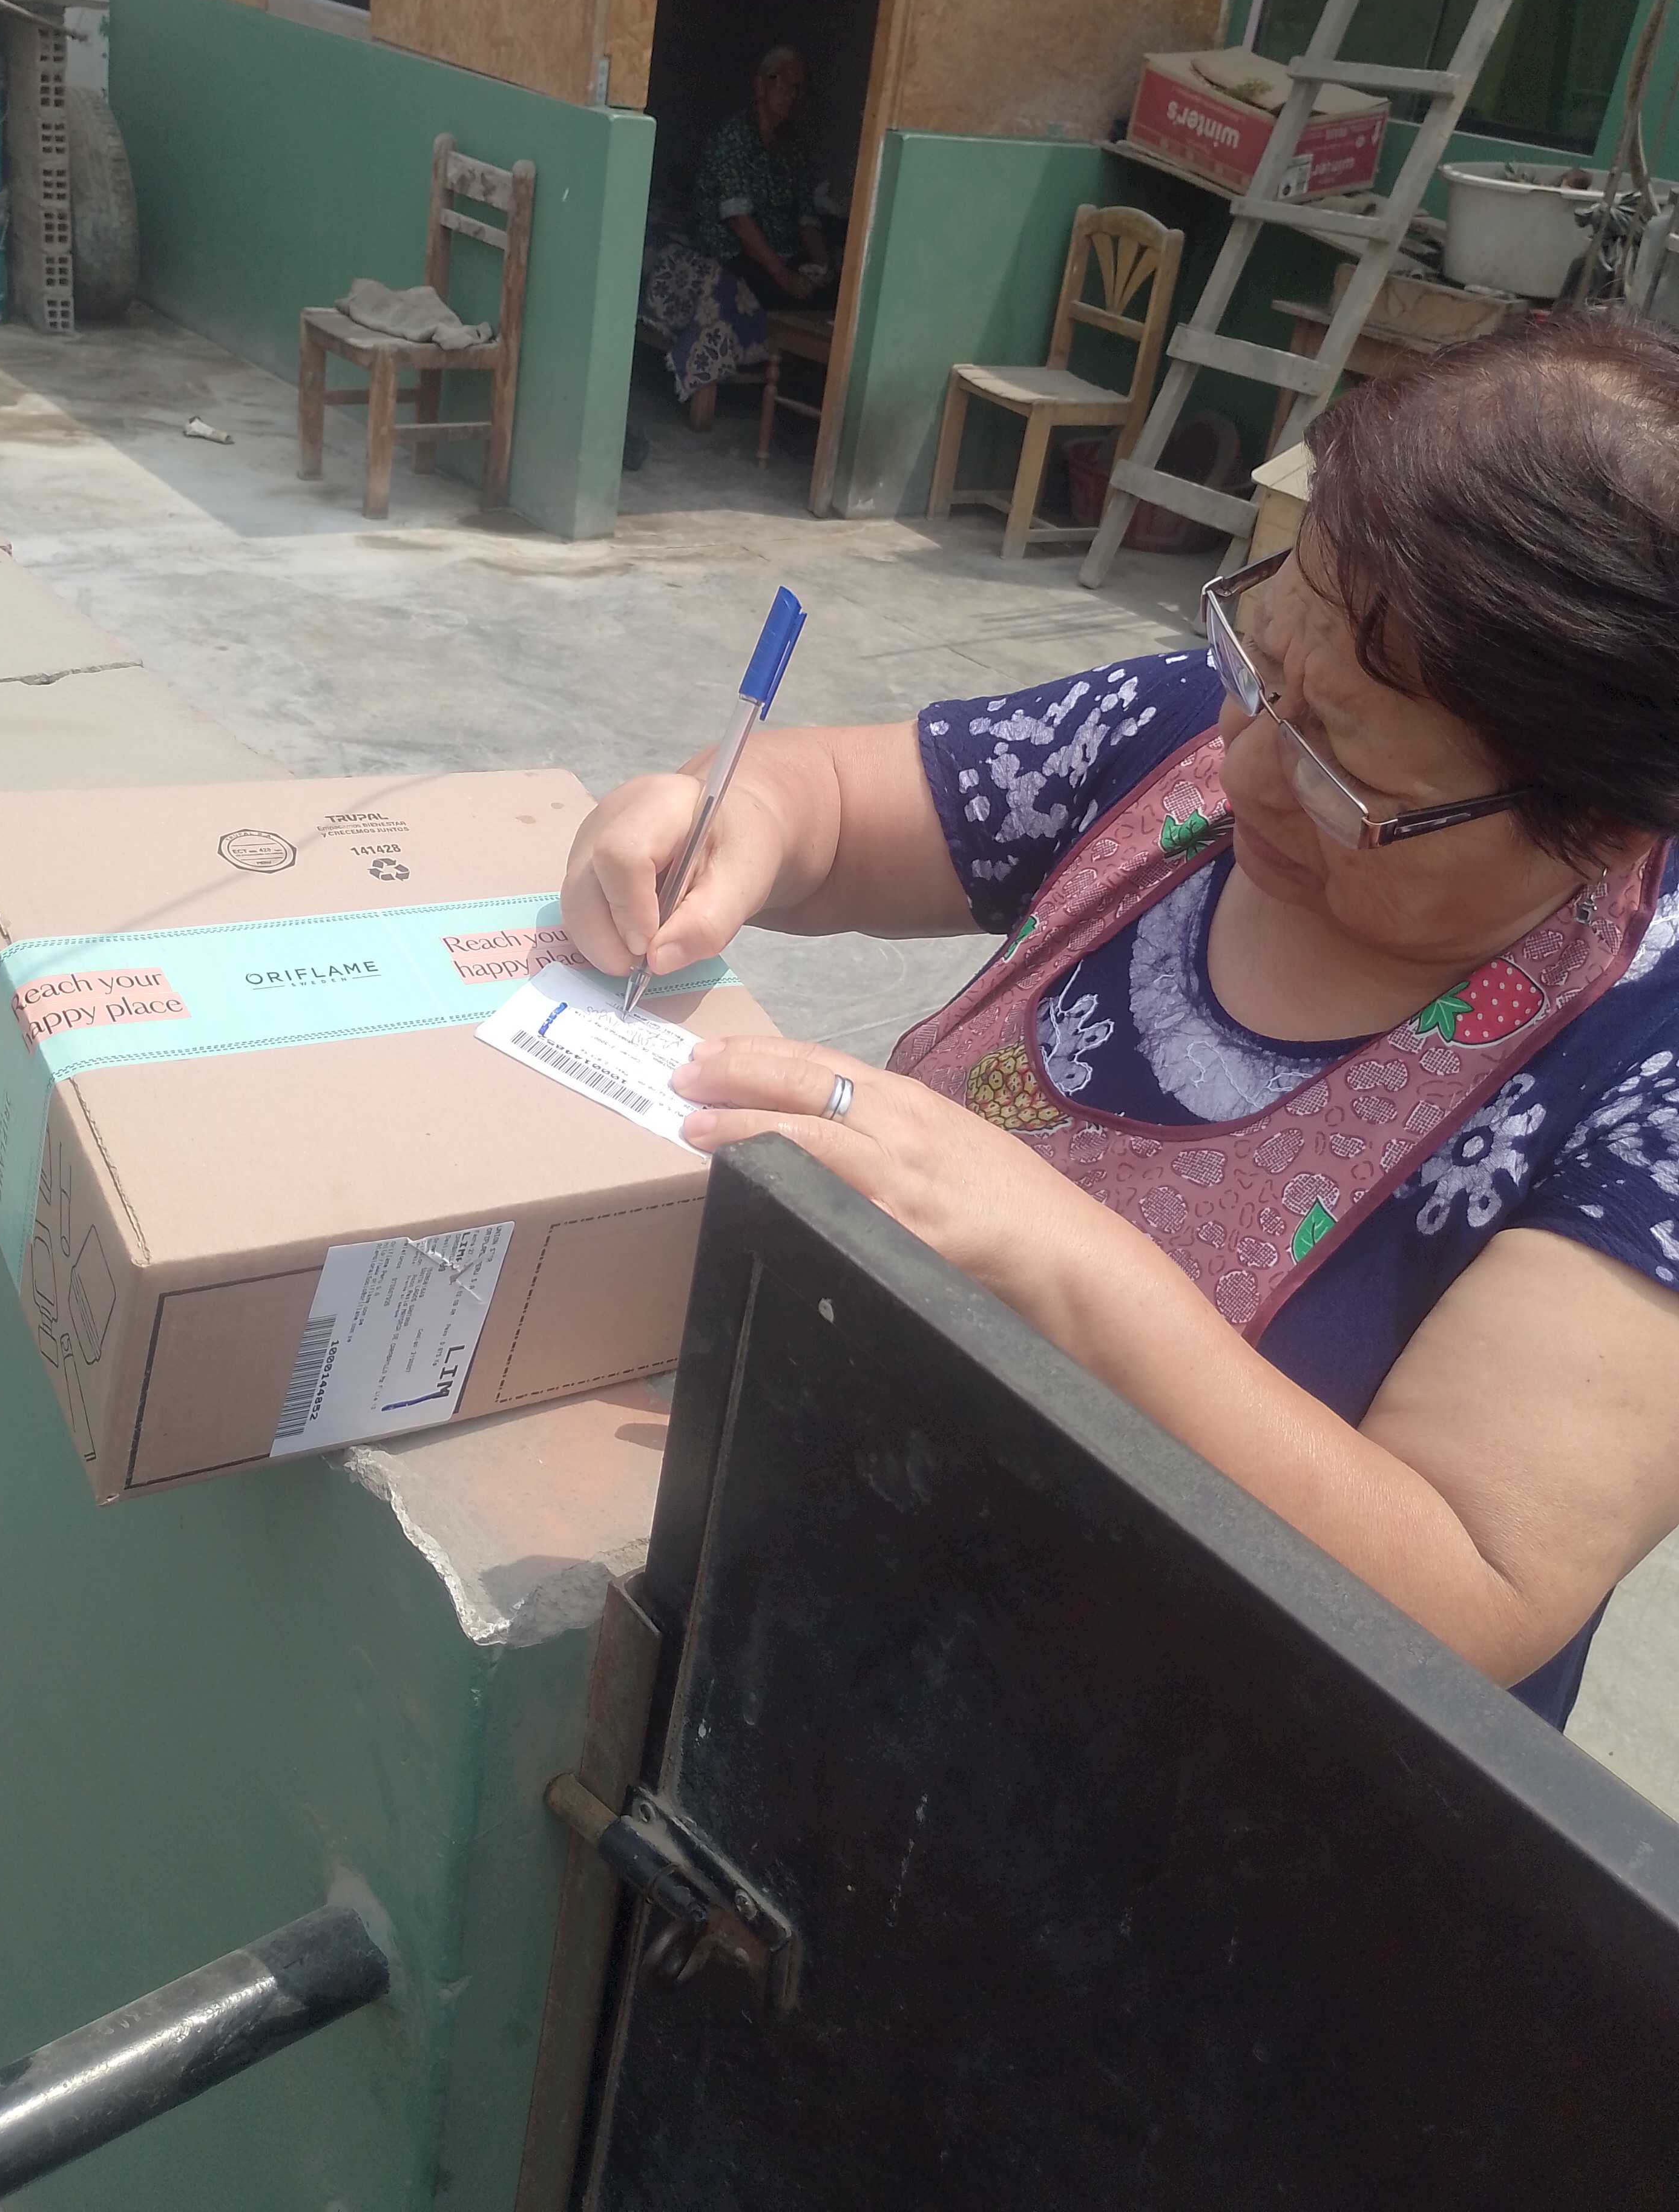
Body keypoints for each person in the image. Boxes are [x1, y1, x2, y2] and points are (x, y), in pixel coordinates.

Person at [564, 312, 1679, 1731]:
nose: (1248, 768)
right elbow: (836, 804)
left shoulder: (1645, 1063)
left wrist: (1060, 1262)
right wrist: (726, 818)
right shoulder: (1216, 724)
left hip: (1180, 1778)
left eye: (1343, 780)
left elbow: (1466, 1584)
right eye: (1258, 663)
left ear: (1598, 825)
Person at [691, 45, 835, 312]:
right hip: (735, 253)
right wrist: (786, 277)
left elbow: (807, 216)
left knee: (835, 292)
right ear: (760, 86)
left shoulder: (792, 147)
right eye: (781, 82)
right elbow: (739, 220)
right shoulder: (733, 137)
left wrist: (821, 265)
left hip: (782, 251)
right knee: (778, 296)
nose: (790, 95)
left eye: (797, 88)